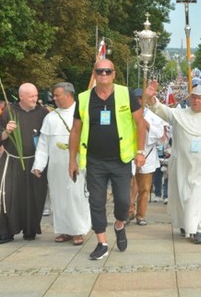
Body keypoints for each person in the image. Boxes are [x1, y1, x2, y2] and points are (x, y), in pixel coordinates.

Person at [68, 60, 147, 260]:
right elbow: (76, 130)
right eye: (99, 71)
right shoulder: (84, 98)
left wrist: (139, 151)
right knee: (96, 202)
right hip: (94, 160)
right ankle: (102, 242)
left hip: (120, 160)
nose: (103, 74)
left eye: (107, 71)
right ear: (94, 74)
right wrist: (72, 160)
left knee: (123, 201)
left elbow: (140, 124)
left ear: (114, 74)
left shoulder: (125, 93)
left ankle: (119, 225)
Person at [145, 81, 201, 244]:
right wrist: (151, 98)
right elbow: (161, 110)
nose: (196, 100)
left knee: (198, 198)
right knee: (183, 198)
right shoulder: (179, 115)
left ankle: (198, 230)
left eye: (199, 98)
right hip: (181, 167)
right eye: (193, 97)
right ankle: (184, 225)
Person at [0, 83, 50, 243]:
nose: (35, 99)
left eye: (36, 95)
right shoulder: (9, 112)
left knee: (33, 196)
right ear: (21, 96)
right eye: (32, 96)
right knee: (7, 194)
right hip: (12, 161)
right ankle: (5, 231)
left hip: (35, 162)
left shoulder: (43, 112)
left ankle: (30, 229)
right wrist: (6, 132)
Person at [32, 82, 91, 245]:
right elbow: (43, 143)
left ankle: (78, 230)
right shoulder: (50, 117)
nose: (54, 98)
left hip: (77, 163)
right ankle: (64, 230)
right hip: (56, 166)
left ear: (68, 95)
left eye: (57, 95)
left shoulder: (82, 113)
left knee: (75, 197)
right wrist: (39, 165)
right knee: (58, 198)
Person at [129, 89, 168, 226]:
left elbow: (160, 136)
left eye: (141, 98)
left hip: (148, 155)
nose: (139, 101)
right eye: (136, 98)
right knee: (130, 186)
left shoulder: (154, 116)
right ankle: (129, 211)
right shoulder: (126, 114)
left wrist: (145, 123)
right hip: (130, 155)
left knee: (144, 188)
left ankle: (140, 215)